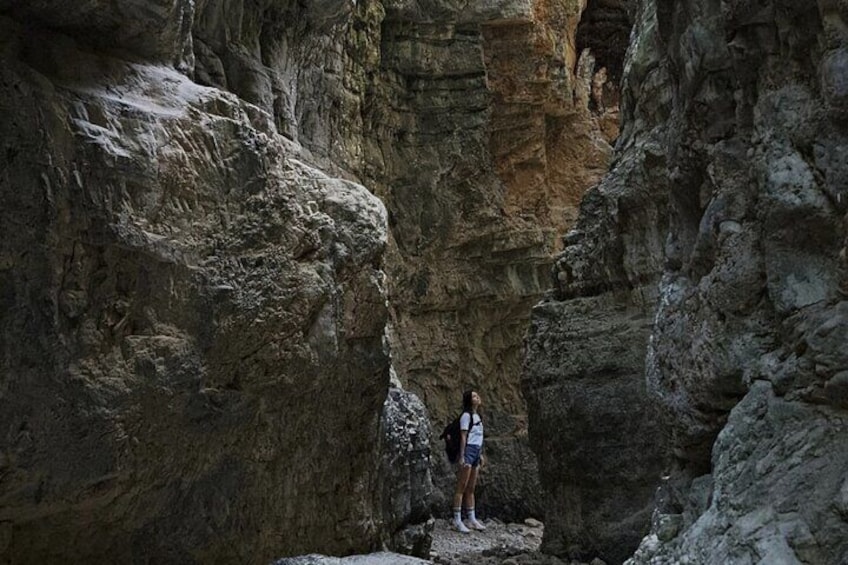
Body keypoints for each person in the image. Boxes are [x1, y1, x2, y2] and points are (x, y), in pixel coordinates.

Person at [451, 389, 486, 533]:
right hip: (469, 450)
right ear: (468, 400)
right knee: (462, 486)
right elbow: (464, 436)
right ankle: (457, 520)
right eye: (474, 396)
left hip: (476, 450)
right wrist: (462, 455)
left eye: (477, 395)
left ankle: (472, 519)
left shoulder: (477, 416)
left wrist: (481, 453)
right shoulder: (466, 416)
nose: (477, 398)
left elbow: (477, 436)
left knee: (471, 487)